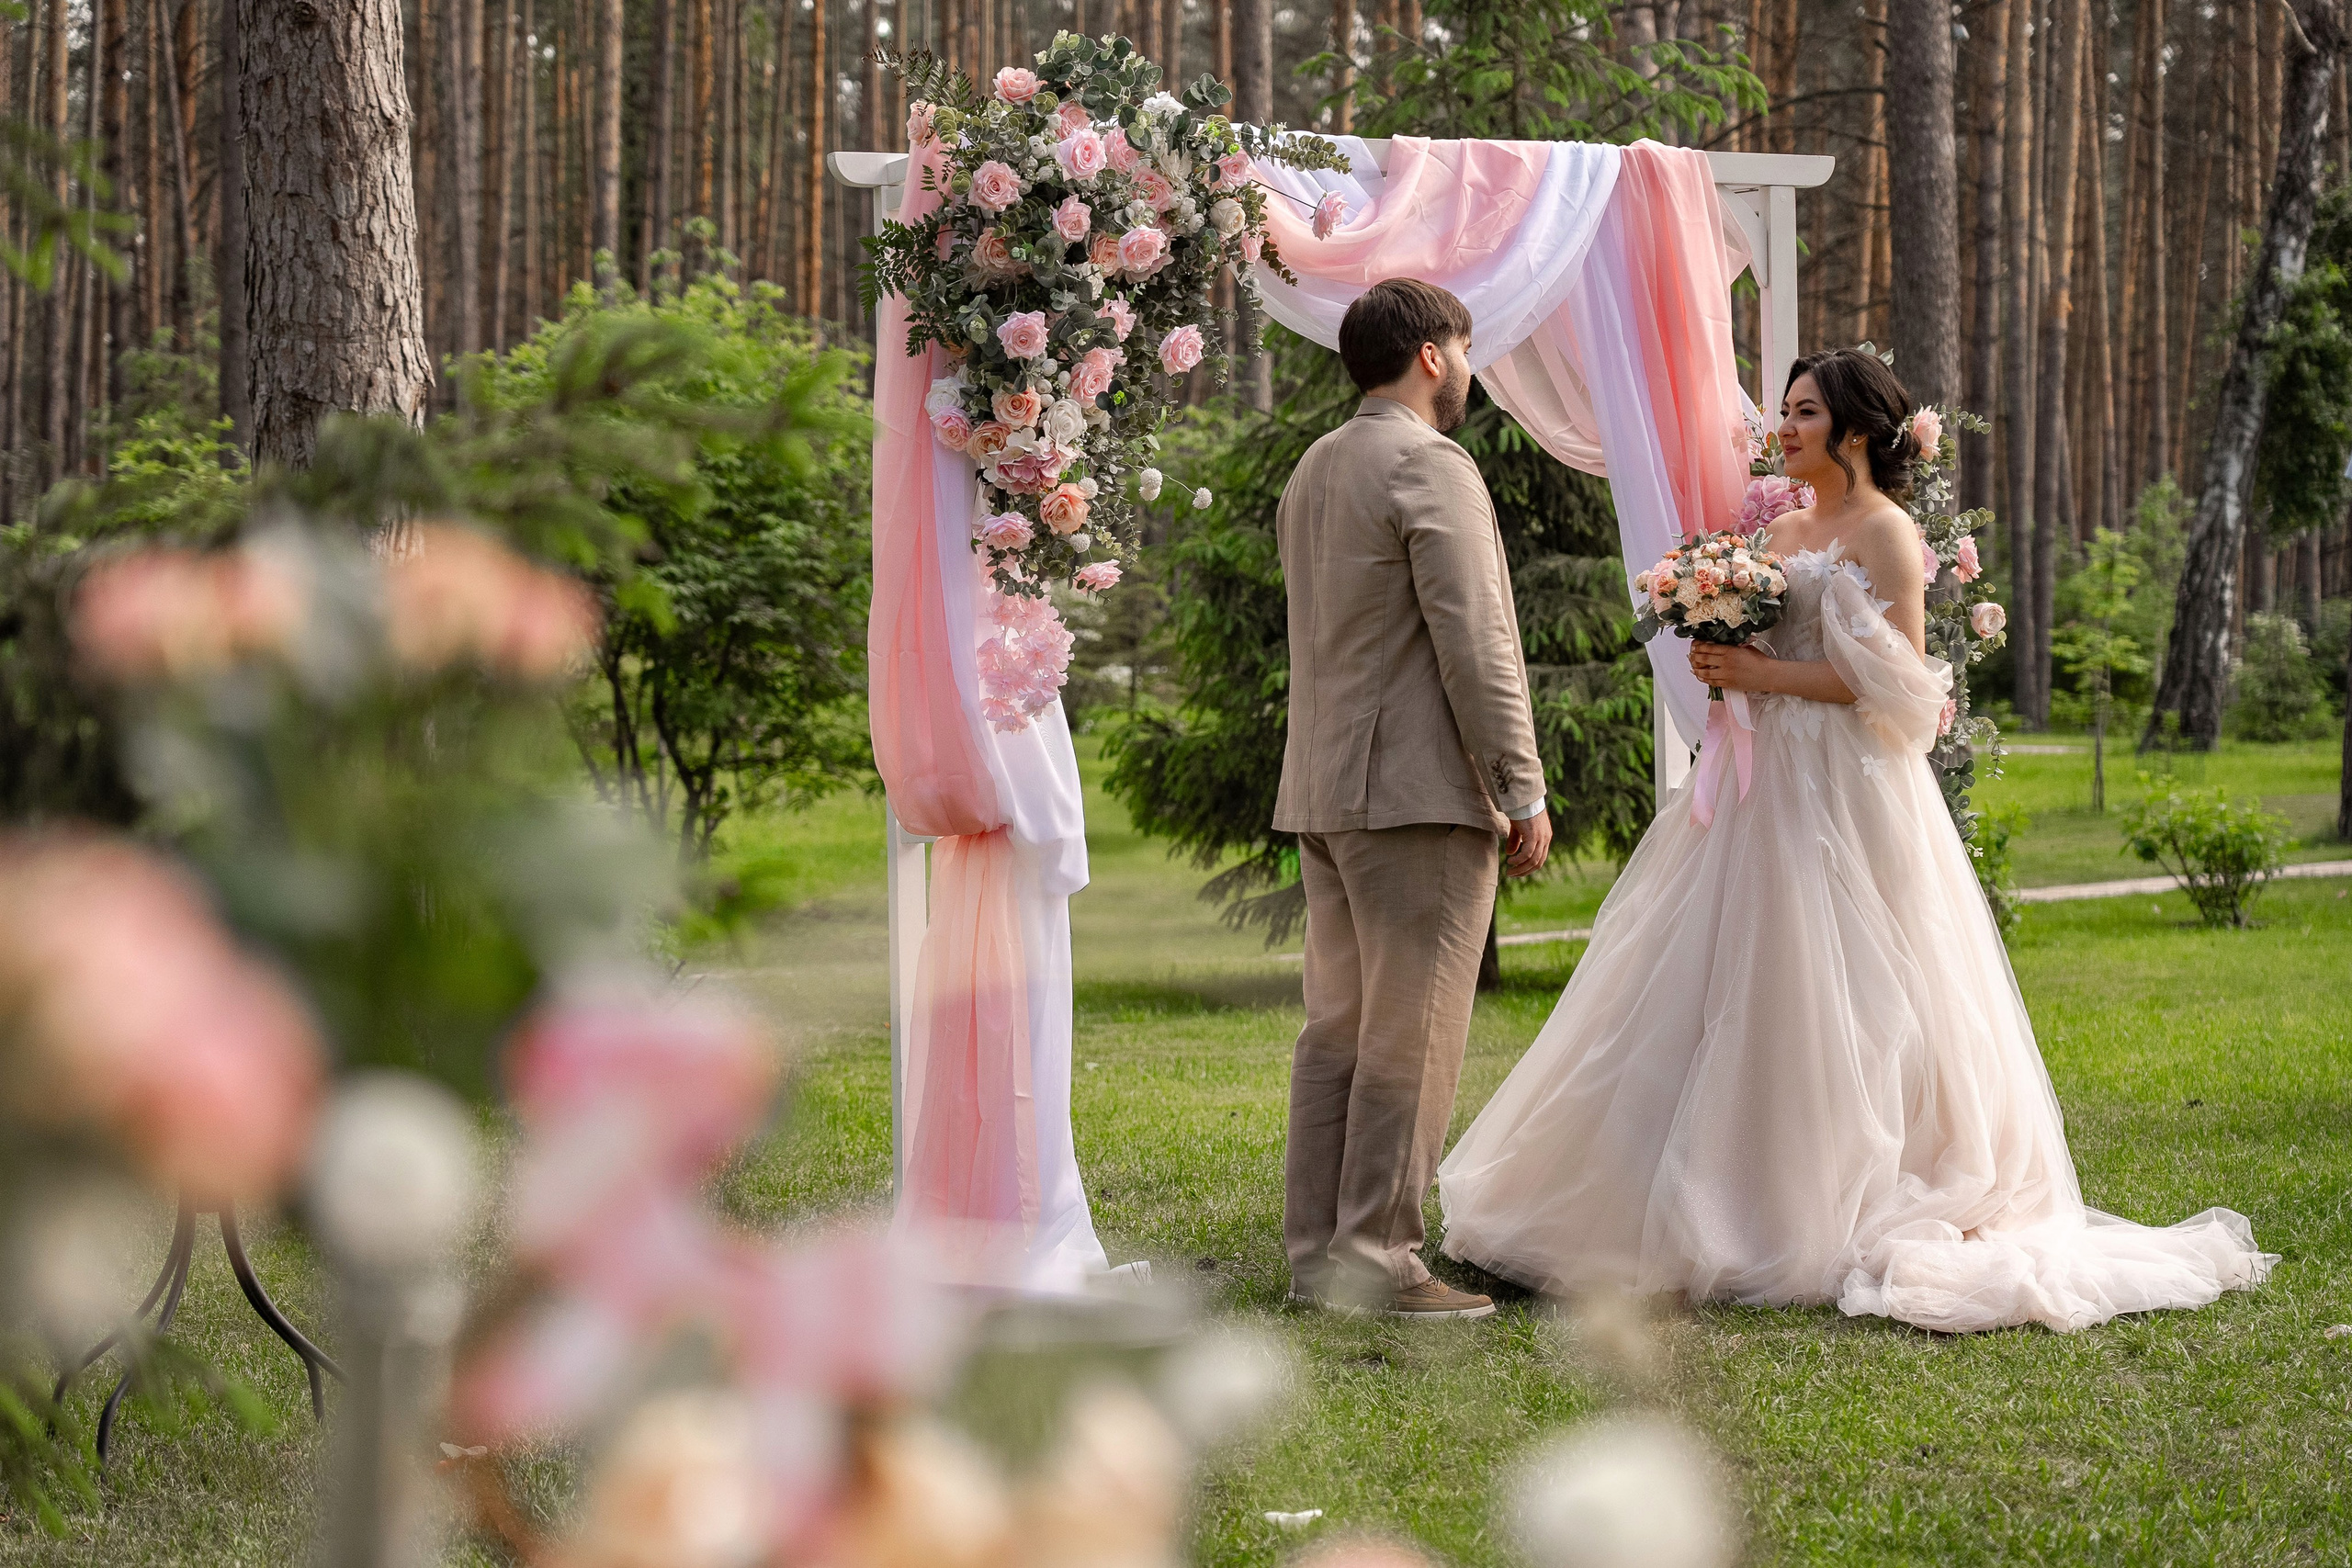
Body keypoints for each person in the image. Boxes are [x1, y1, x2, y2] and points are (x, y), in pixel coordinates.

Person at [1435, 348, 2275, 1333]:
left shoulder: (1883, 531)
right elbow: (1772, 647)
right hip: (1759, 789)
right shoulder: (1781, 525)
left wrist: (1759, 677)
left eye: (1800, 414)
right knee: (1719, 976)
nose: (1780, 429)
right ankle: (1686, 1182)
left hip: (1845, 788)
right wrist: (1716, 649)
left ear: (1856, 434)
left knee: (1853, 988)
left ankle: (1828, 1193)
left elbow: (1900, 685)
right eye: (1784, 413)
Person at [1276, 278, 1553, 1320]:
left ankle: (1318, 1262)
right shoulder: (1429, 463)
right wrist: (1519, 785)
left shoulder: (1314, 467)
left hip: (1322, 792)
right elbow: (1475, 642)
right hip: (1416, 794)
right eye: (1468, 349)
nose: (1471, 369)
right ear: (1432, 355)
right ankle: (1381, 1261)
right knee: (1413, 1034)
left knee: (1337, 1033)